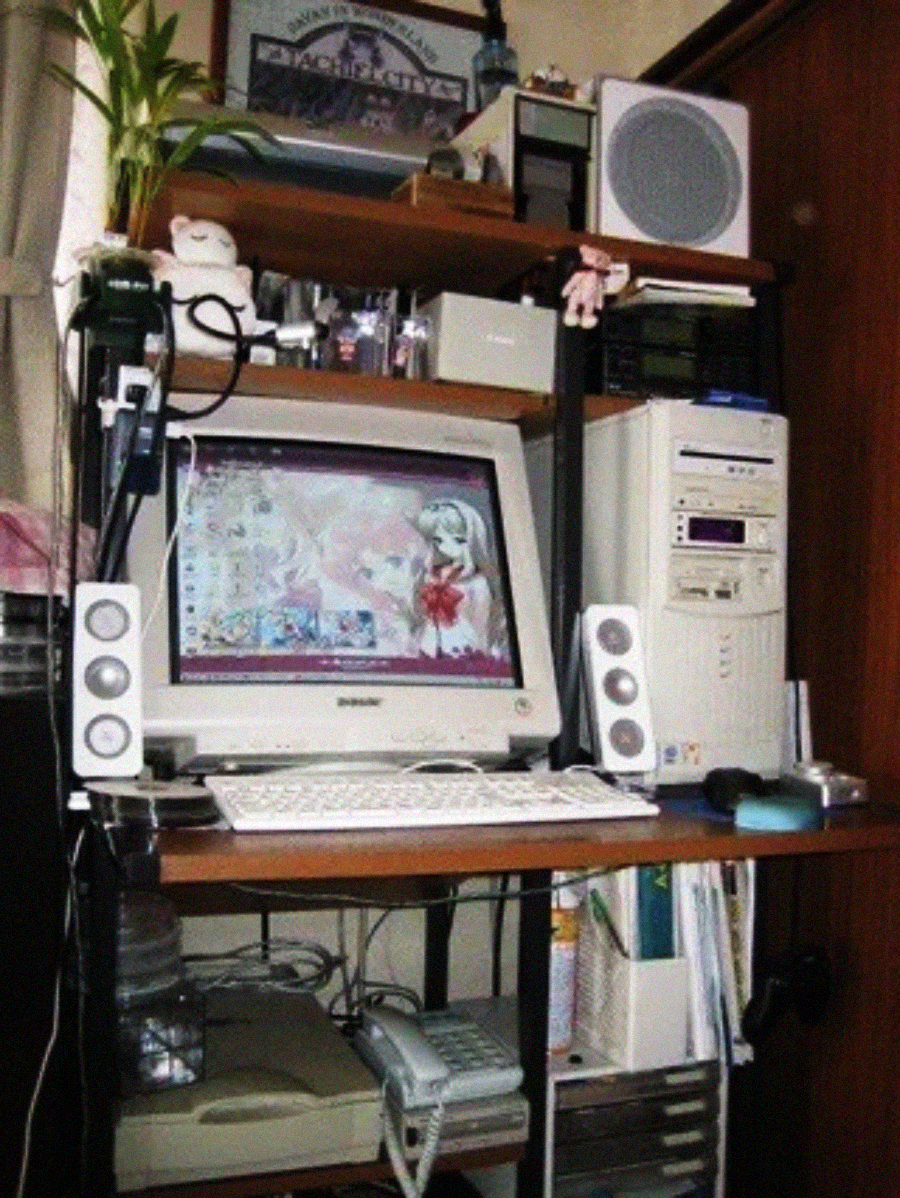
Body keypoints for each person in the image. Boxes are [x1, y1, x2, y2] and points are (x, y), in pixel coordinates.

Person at [413, 499, 504, 657]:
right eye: (438, 540)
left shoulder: (477, 583)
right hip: (428, 646)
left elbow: (480, 626)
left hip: (462, 651)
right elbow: (421, 614)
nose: (447, 546)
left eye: (458, 540)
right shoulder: (431, 575)